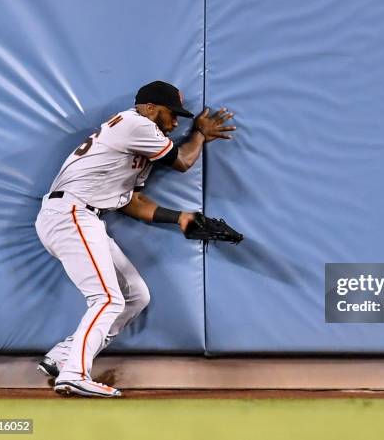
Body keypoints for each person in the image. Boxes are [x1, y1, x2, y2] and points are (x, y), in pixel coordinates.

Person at [34, 81, 235, 397]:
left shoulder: (140, 146)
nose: (176, 122)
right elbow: (182, 161)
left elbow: (132, 202)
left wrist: (179, 217)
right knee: (108, 298)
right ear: (151, 108)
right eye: (172, 114)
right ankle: (74, 373)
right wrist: (199, 133)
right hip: (70, 213)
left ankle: (64, 358)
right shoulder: (134, 123)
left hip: (82, 217)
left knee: (136, 295)